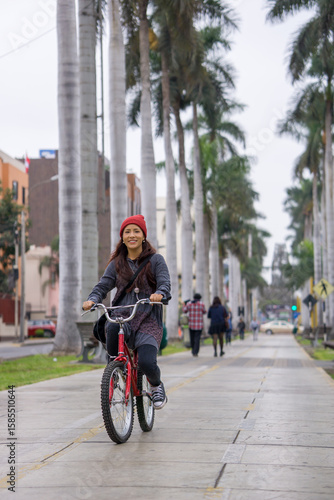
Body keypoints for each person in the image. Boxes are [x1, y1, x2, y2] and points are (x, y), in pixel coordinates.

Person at [82, 214, 171, 410]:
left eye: (136, 231)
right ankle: (114, 372)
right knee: (112, 331)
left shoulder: (155, 260)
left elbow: (164, 283)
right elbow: (103, 286)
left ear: (143, 236)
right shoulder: (117, 264)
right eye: (127, 232)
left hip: (148, 318)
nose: (132, 235)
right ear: (122, 237)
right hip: (122, 315)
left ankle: (156, 386)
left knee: (147, 363)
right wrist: (92, 299)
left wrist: (160, 293)